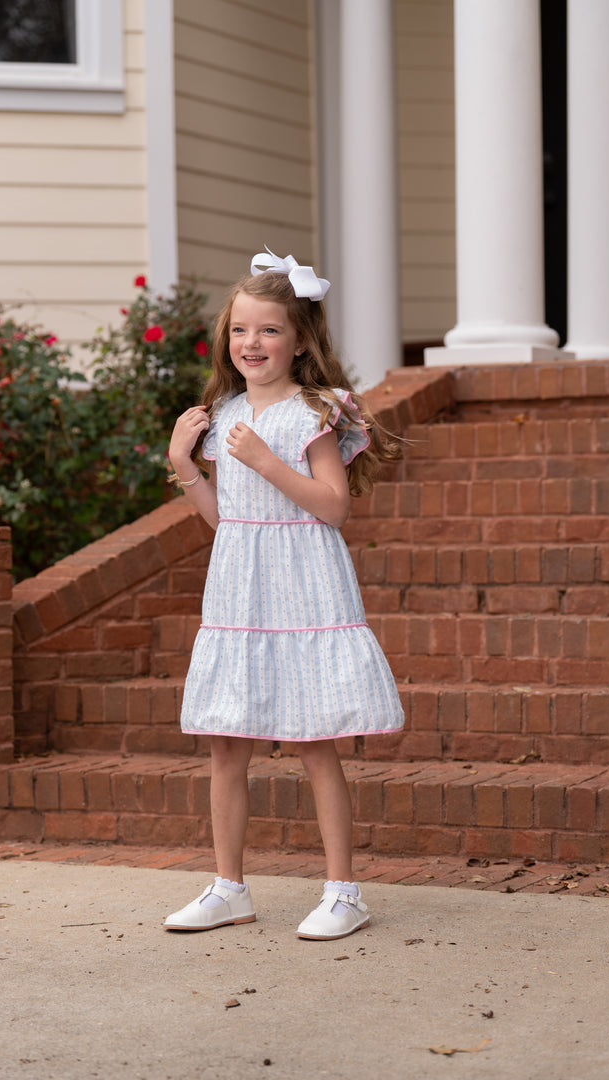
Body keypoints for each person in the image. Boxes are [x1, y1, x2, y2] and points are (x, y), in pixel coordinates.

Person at [164, 248, 404, 940]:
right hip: (241, 590)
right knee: (227, 745)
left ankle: (343, 893)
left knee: (315, 742)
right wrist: (183, 462)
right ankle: (228, 888)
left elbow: (334, 507)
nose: (252, 342)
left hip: (306, 585)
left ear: (300, 340)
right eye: (240, 330)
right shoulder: (223, 413)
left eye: (269, 330)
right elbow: (226, 520)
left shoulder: (315, 412)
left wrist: (267, 461)